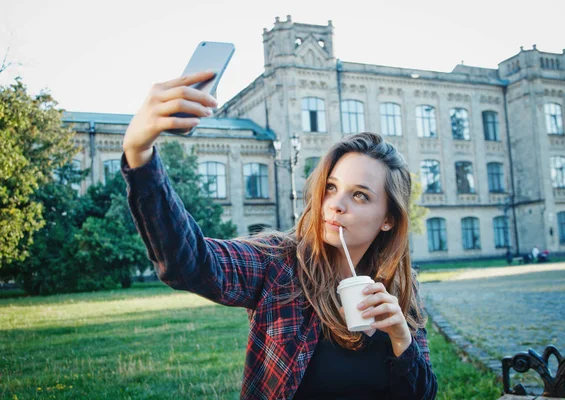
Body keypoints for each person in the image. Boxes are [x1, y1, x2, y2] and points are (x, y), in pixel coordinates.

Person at [121, 71, 437, 399]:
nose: (335, 205)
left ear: (388, 219)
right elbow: (193, 264)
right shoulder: (279, 264)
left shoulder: (400, 285)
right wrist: (140, 158)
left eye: (360, 195)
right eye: (331, 187)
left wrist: (402, 339)